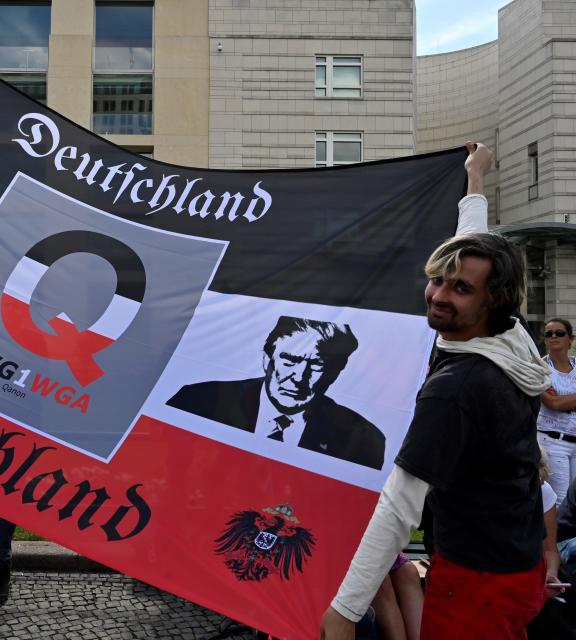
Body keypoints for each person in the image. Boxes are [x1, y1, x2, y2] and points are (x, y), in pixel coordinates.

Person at [320, 142, 551, 639]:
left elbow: (401, 504)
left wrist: (344, 610)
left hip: (476, 582)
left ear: (495, 299)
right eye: (438, 281)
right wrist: (474, 178)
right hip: (516, 561)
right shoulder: (509, 335)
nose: (440, 296)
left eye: (460, 289)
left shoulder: (458, 389)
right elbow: (474, 241)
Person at [167, 316, 384, 469]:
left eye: (317, 365)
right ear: (266, 359)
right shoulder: (196, 400)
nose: (299, 377)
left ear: (335, 373)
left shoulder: (362, 438)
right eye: (290, 360)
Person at [536, 317, 576, 506]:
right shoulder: (540, 369)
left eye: (559, 333)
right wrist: (561, 401)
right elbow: (553, 403)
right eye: (548, 334)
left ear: (571, 339)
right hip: (553, 442)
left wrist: (563, 399)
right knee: (560, 502)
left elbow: (559, 401)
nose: (553, 337)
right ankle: (557, 537)